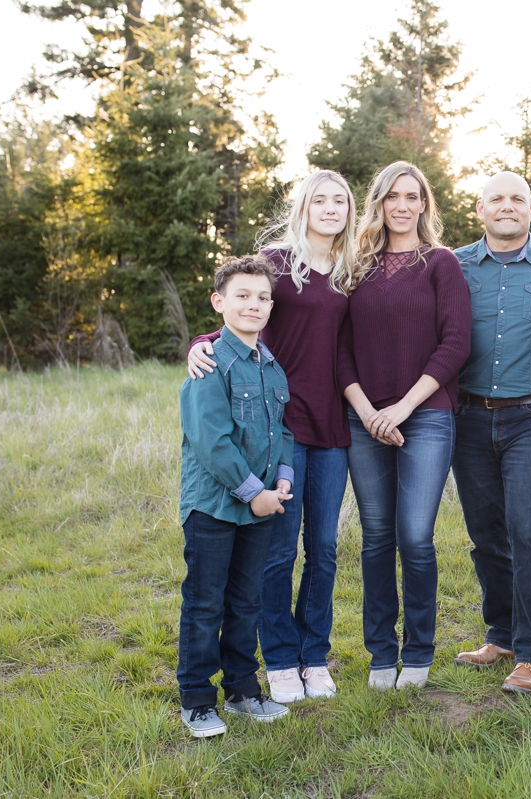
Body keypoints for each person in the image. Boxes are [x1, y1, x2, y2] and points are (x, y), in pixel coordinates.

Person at [186, 171, 364, 704]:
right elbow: (238, 304)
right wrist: (200, 342)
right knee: (278, 552)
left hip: (332, 423)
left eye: (340, 200)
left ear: (350, 210)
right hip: (278, 425)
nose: (330, 208)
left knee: (325, 549)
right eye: (320, 199)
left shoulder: (353, 268)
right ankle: (280, 658)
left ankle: (315, 655)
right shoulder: (278, 262)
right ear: (303, 205)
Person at [339, 161, 471, 691]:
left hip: (427, 415)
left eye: (412, 196)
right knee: (375, 538)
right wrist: (368, 410)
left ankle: (417, 652)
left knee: (415, 537)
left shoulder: (440, 263)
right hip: (363, 416)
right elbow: (339, 348)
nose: (402, 205)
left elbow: (456, 343)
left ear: (424, 205)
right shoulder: (355, 266)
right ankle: (379, 653)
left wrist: (403, 408)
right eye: (392, 196)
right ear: (379, 202)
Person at [451, 172, 531, 694]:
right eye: (496, 199)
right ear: (479, 209)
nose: (506, 206)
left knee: (529, 532)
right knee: (485, 535)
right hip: (468, 417)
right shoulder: (451, 267)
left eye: (516, 199)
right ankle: (500, 634)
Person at [176, 254, 296, 738]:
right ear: (218, 301)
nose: (254, 304)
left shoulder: (271, 367)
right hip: (214, 506)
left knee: (245, 600)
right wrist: (254, 494)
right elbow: (212, 441)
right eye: (242, 296)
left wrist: (282, 479)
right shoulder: (209, 364)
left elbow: (282, 431)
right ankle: (198, 699)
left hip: (261, 505)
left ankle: (244, 689)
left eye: (263, 297)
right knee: (206, 602)